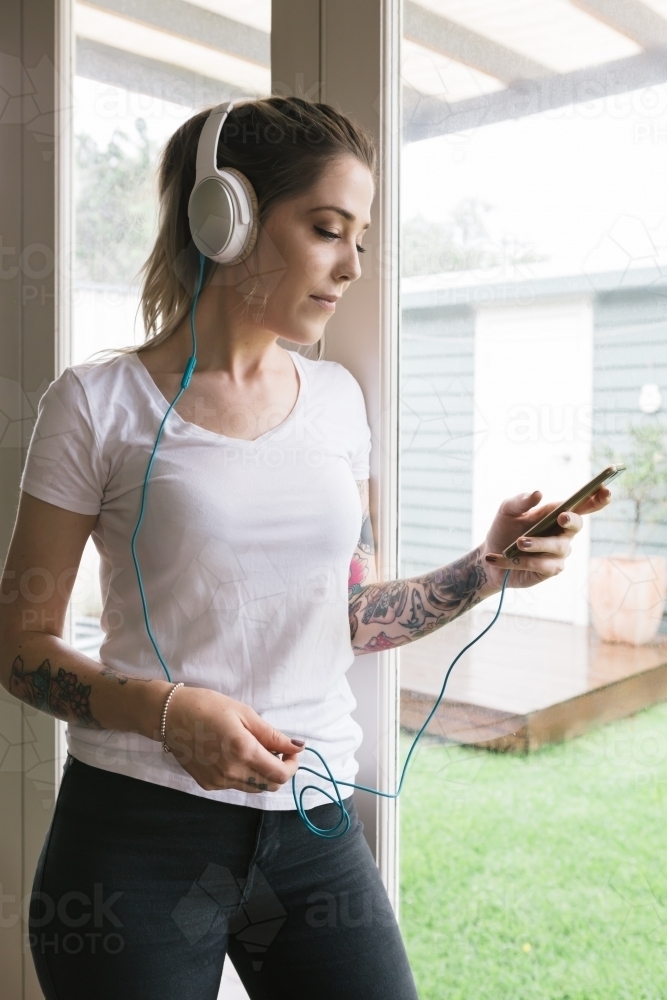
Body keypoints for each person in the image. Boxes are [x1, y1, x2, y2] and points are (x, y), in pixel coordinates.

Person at [0, 97, 610, 1000]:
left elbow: (350, 615)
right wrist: (168, 713)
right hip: (136, 838)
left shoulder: (335, 401)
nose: (352, 265)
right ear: (228, 217)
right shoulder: (95, 404)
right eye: (328, 229)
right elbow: (18, 643)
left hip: (312, 826)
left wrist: (486, 567)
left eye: (360, 237)